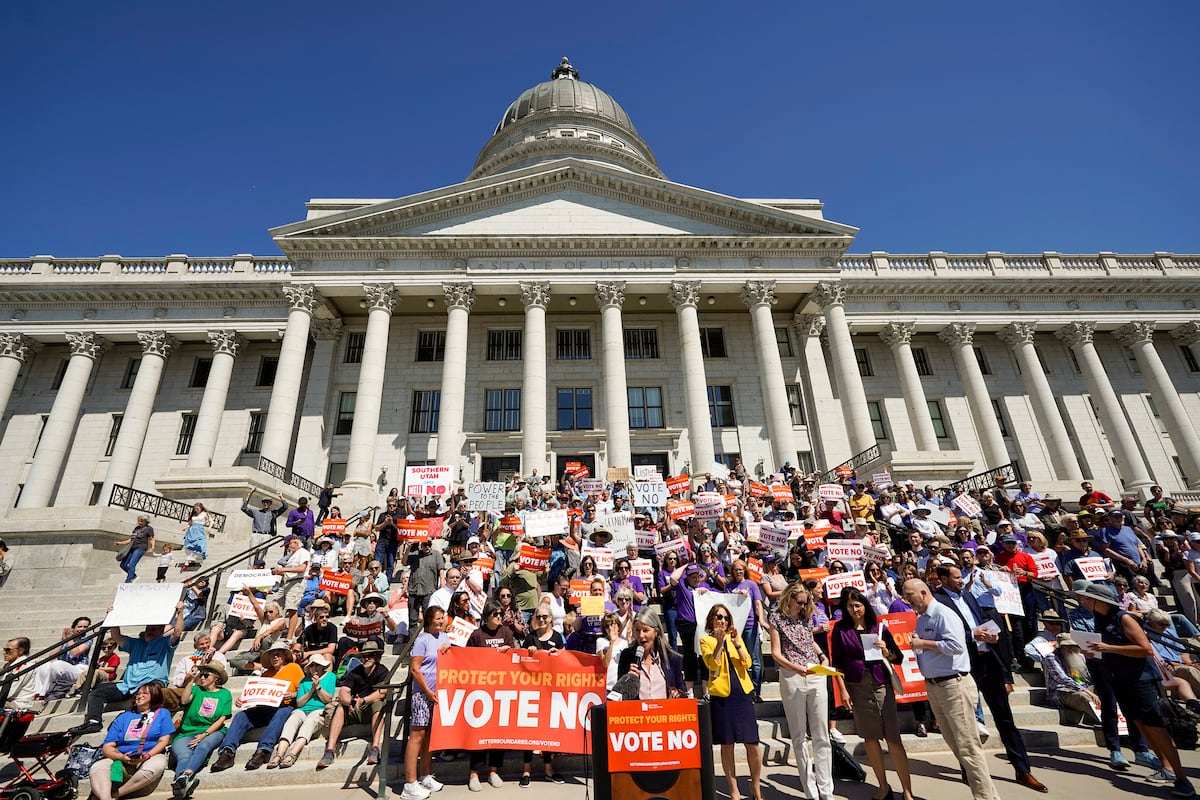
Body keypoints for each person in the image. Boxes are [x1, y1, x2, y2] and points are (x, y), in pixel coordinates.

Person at [932, 565, 1046, 792]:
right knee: (964, 723)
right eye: (956, 578)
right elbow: (942, 634)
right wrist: (971, 635)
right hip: (964, 666)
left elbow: (983, 619)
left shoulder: (968, 595)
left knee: (1005, 718)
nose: (961, 581)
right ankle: (968, 769)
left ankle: (1023, 769)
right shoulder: (938, 602)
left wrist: (992, 634)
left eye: (960, 577)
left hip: (989, 661)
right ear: (943, 579)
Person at [1077, 580, 1194, 796]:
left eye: (1086, 597)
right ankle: (1166, 768)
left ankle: (1182, 778)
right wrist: (1096, 652)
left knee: (1156, 727)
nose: (1083, 600)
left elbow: (1145, 649)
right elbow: (1114, 649)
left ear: (1096, 600)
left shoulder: (1124, 617)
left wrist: (1108, 647)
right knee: (1141, 725)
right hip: (1120, 679)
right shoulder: (1101, 619)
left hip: (1141, 680)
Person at [901, 579, 999, 800]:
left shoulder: (943, 614)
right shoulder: (921, 619)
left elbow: (956, 646)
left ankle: (984, 797)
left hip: (954, 685)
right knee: (957, 746)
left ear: (924, 593)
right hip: (935, 687)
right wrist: (919, 644)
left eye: (909, 594)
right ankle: (990, 795)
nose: (907, 599)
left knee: (968, 748)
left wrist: (923, 644)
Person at [828, 588, 915, 800]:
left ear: (865, 605)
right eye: (850, 606)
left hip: (881, 684)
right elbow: (836, 663)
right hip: (857, 687)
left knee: (893, 738)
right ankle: (883, 787)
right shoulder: (840, 629)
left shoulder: (879, 627)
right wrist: (842, 690)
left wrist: (887, 651)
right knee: (870, 737)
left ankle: (907, 791)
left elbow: (897, 658)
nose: (854, 609)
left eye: (857, 605)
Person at [71, 603, 186, 736]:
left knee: (146, 690)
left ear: (161, 631)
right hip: (128, 685)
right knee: (96, 693)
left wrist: (180, 612)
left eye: (154, 629)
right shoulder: (136, 643)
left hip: (152, 683)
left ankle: (126, 719)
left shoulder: (165, 643)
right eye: (149, 628)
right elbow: (117, 637)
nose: (150, 631)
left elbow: (177, 632)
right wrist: (113, 617)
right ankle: (93, 722)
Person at [768, 582, 835, 800]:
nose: (803, 605)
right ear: (789, 599)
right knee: (799, 736)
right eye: (800, 602)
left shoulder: (805, 616)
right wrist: (796, 668)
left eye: (806, 602)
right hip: (793, 676)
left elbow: (808, 640)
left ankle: (827, 791)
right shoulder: (777, 618)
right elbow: (776, 652)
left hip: (815, 672)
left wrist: (822, 654)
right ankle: (811, 791)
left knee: (822, 734)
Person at [211, 642, 305, 772]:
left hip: (284, 706)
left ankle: (263, 751)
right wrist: (244, 699)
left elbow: (304, 689)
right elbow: (258, 693)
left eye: (278, 654)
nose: (275, 657)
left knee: (282, 712)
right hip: (265, 708)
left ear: (284, 656)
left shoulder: (294, 668)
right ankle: (227, 752)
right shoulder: (266, 674)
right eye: (272, 655)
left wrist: (293, 694)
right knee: (240, 716)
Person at [701, 602, 762, 800]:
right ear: (712, 619)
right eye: (719, 617)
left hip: (742, 693)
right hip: (722, 696)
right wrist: (719, 643)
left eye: (726, 617)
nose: (723, 621)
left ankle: (755, 787)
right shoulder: (705, 641)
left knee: (752, 743)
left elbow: (748, 662)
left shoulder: (736, 637)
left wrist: (736, 643)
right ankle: (733, 790)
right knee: (727, 744)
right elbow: (713, 665)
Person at [88, 682, 174, 800]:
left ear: (154, 696)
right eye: (138, 693)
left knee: (157, 764)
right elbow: (107, 746)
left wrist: (148, 755)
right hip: (122, 757)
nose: (139, 696)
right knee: (98, 766)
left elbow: (164, 741)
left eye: (145, 693)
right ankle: (105, 797)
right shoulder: (123, 717)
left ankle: (117, 794)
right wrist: (121, 757)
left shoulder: (162, 713)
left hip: (151, 754)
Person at [317, 639, 389, 770]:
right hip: (354, 708)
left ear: (377, 657)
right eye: (364, 656)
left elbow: (382, 692)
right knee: (340, 708)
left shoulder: (382, 671)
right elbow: (344, 691)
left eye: (370, 655)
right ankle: (330, 750)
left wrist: (364, 700)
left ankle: (375, 747)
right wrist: (349, 701)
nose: (366, 658)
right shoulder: (355, 672)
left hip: (370, 707)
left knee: (378, 705)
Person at [466, 601, 514, 790]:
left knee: (498, 733)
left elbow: (514, 656)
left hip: (501, 690)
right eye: (495, 614)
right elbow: (465, 658)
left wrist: (508, 651)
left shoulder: (506, 633)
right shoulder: (478, 634)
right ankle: (474, 774)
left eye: (501, 614)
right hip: (480, 690)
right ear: (487, 615)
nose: (499, 617)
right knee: (479, 733)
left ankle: (494, 771)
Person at [404, 607, 449, 800]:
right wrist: (428, 692)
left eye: (442, 618)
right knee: (417, 736)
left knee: (430, 736)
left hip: (437, 694)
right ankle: (409, 783)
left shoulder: (444, 638)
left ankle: (425, 775)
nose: (441, 621)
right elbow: (415, 669)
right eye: (438, 619)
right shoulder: (422, 640)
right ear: (429, 620)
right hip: (422, 694)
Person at [170, 663, 232, 799]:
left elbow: (221, 719)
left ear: (216, 677)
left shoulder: (225, 693)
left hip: (212, 731)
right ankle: (183, 784)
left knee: (203, 746)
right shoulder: (196, 690)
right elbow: (185, 700)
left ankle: (186, 775)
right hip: (186, 732)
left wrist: (205, 734)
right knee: (184, 755)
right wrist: (191, 680)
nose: (202, 677)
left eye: (206, 675)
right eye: (201, 674)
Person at [270, 653, 336, 769]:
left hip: (319, 710)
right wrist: (311, 690)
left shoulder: (330, 676)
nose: (314, 668)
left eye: (317, 665)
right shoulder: (303, 681)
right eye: (312, 665)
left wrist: (318, 687)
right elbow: (299, 703)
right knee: (292, 720)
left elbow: (328, 699)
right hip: (302, 709)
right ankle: (279, 754)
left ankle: (292, 754)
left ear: (322, 666)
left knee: (310, 722)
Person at [616, 606, 686, 699]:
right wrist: (628, 680)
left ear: (656, 631)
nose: (641, 635)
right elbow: (620, 697)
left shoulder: (672, 659)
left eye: (645, 630)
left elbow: (683, 694)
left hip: (664, 713)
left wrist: (678, 694)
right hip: (637, 713)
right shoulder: (627, 657)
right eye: (637, 630)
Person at [1039, 633, 1103, 726]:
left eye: (1073, 646)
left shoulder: (1079, 656)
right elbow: (1063, 679)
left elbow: (1088, 677)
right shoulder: (1051, 657)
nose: (1071, 648)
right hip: (1061, 692)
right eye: (1067, 646)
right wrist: (1088, 692)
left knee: (1105, 690)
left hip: (1081, 687)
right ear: (1060, 647)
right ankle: (1107, 724)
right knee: (1084, 697)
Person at [115, 516, 155, 583]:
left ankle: (129, 580)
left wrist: (152, 547)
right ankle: (133, 576)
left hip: (140, 548)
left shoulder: (149, 529)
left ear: (146, 521)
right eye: (139, 521)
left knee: (131, 564)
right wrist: (121, 543)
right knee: (123, 565)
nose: (139, 522)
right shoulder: (136, 528)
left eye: (141, 521)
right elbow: (131, 539)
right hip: (132, 548)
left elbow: (152, 539)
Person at [181, 503, 210, 570]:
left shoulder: (204, 514)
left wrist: (209, 528)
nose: (196, 510)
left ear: (201, 508)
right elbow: (190, 523)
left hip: (199, 530)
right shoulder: (193, 515)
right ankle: (188, 561)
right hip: (191, 530)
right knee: (189, 545)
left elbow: (211, 521)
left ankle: (195, 558)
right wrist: (185, 527)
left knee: (199, 544)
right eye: (195, 509)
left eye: (197, 509)